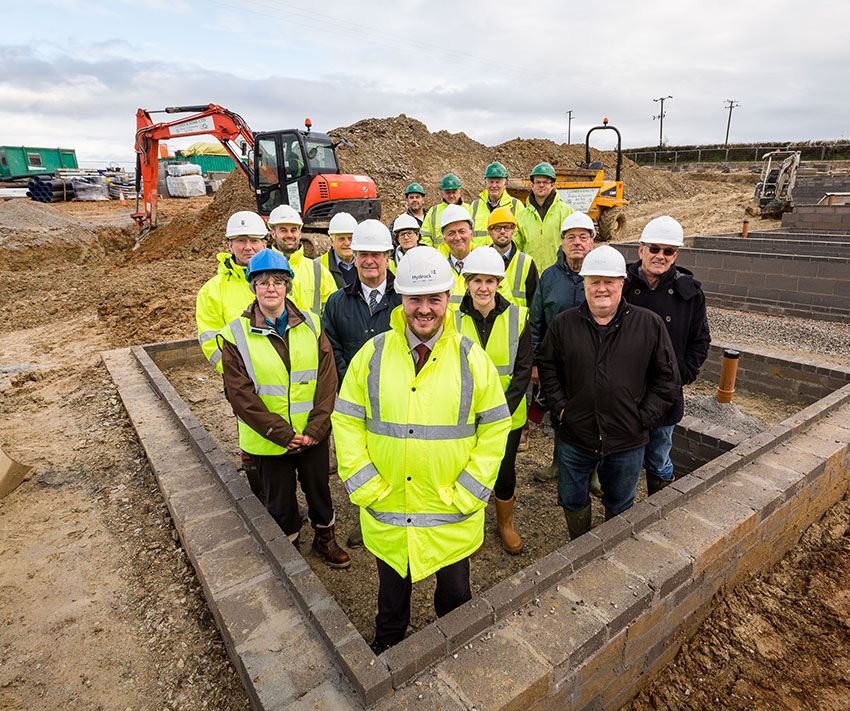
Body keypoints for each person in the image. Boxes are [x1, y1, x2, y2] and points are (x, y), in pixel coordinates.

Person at [332, 245, 511, 654]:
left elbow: (496, 425)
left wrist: (471, 489)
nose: (425, 310)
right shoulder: (372, 356)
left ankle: (455, 663)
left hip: (451, 511)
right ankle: (387, 656)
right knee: (391, 605)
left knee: (455, 601)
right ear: (402, 298)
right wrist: (365, 484)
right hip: (390, 508)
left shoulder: (470, 359)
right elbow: (345, 420)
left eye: (435, 299)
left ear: (449, 298)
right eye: (415, 299)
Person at [536, 246, 680, 540]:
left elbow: (667, 379)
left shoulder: (648, 324)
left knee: (620, 502)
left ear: (621, 284)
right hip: (576, 436)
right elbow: (548, 367)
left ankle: (614, 549)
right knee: (573, 499)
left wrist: (643, 417)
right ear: (585, 284)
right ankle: (579, 547)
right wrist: (562, 408)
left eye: (609, 282)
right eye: (594, 281)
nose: (601, 289)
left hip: (627, 440)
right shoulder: (564, 324)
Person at [219, 249, 350, 567]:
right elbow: (240, 395)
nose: (271, 288)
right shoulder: (235, 335)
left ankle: (325, 538)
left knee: (319, 489)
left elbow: (327, 380)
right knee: (280, 500)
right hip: (268, 440)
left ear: (288, 285)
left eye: (278, 281)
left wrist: (316, 428)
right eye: (262, 282)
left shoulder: (312, 325)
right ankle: (289, 546)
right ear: (253, 287)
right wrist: (281, 433)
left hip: (311, 435)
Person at [623, 216, 711, 494]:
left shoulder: (689, 293)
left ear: (676, 255)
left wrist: (682, 375)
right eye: (654, 249)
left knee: (659, 457)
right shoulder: (620, 284)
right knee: (624, 458)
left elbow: (700, 340)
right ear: (641, 250)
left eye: (668, 251)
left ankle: (658, 507)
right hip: (625, 389)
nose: (660, 256)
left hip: (666, 393)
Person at [456, 247, 532, 553]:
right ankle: (465, 520)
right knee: (464, 467)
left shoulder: (519, 317)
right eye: (477, 281)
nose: (484, 287)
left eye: (490, 281)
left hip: (508, 416)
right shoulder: (452, 318)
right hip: (465, 416)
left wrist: (498, 412)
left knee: (504, 469)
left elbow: (523, 370)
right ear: (467, 283)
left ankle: (505, 523)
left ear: (499, 283)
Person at [195, 210, 268, 499]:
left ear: (264, 243)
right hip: (241, 381)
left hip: (282, 376)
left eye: (253, 240)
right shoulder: (213, 291)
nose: (247, 246)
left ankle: (283, 496)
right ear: (229, 245)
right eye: (240, 240)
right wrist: (235, 375)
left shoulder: (278, 279)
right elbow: (210, 341)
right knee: (250, 436)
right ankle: (261, 496)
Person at [529, 212, 596, 481]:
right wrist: (536, 360)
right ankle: (558, 464)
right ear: (562, 243)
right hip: (556, 362)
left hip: (593, 360)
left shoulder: (599, 274)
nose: (577, 242)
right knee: (559, 413)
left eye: (583, 237)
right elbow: (536, 321)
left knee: (594, 414)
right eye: (571, 237)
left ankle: (593, 473)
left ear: (592, 242)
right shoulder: (549, 277)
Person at [267, 204, 336, 315]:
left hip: (312, 332)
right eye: (283, 230)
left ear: (300, 233)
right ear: (273, 234)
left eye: (293, 230)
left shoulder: (318, 271)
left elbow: (332, 312)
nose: (289, 235)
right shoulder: (263, 270)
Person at [439, 204, 511, 307]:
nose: (458, 237)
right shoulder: (437, 265)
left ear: (471, 234)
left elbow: (505, 304)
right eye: (451, 233)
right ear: (444, 239)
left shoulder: (490, 261)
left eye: (462, 231)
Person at [515, 162, 573, 272]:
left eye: (545, 182)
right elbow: (516, 246)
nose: (541, 185)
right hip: (530, 274)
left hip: (559, 273)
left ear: (552, 185)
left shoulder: (566, 211)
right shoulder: (522, 216)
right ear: (532, 186)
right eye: (538, 182)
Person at [487, 206, 538, 308]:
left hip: (518, 323)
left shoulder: (526, 263)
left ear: (513, 231)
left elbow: (535, 304)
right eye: (497, 228)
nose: (502, 231)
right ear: (490, 233)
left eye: (506, 227)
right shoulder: (482, 261)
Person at [470, 162, 524, 242]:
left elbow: (521, 237)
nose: (494, 186)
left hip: (505, 254)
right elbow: (468, 234)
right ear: (485, 184)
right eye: (491, 182)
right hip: (480, 254)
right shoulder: (475, 206)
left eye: (497, 182)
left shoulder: (516, 205)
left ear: (505, 184)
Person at [419, 174, 472, 250]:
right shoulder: (433, 211)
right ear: (442, 192)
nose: (451, 196)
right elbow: (425, 237)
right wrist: (431, 255)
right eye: (448, 192)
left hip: (466, 256)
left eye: (454, 192)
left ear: (459, 191)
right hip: (440, 258)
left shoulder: (470, 209)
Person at [320, 212, 359, 289]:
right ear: (332, 241)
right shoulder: (318, 266)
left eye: (350, 238)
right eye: (342, 239)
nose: (347, 243)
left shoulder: (367, 262)